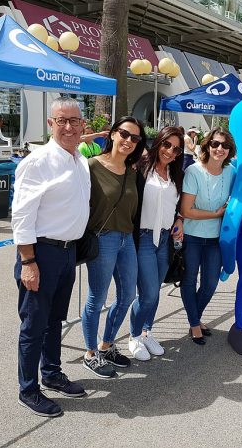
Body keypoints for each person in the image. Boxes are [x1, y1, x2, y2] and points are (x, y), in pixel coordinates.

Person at [12, 97, 90, 418]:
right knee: (34, 324)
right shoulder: (38, 161)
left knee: (55, 320)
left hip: (67, 252)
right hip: (41, 254)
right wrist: (28, 262)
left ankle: (52, 373)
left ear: (83, 124)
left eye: (74, 121)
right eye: (62, 121)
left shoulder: (80, 159)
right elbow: (22, 215)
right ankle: (28, 389)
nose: (68, 127)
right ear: (50, 124)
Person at [82, 116, 146, 378]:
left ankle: (106, 345)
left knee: (127, 295)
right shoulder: (92, 166)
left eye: (135, 138)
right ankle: (90, 353)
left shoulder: (132, 171)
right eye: (124, 134)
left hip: (126, 239)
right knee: (97, 299)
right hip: (102, 238)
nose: (128, 140)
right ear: (112, 134)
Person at [128, 126, 184, 361]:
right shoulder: (140, 168)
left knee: (156, 291)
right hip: (144, 238)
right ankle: (133, 336)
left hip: (165, 239)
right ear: (158, 143)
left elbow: (177, 204)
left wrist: (180, 219)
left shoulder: (176, 174)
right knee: (148, 294)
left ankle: (146, 331)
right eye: (167, 145)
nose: (170, 151)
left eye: (176, 149)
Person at [180, 127, 236, 345]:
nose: (220, 148)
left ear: (230, 150)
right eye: (215, 144)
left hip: (215, 239)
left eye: (225, 145)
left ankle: (195, 317)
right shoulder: (193, 171)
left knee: (210, 283)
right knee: (189, 280)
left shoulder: (231, 172)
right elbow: (186, 210)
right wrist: (216, 214)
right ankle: (195, 324)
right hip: (192, 236)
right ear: (207, 145)